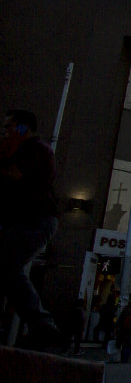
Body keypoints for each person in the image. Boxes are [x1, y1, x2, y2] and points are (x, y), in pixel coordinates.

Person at [0, 109, 62, 348]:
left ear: (24, 127)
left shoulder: (36, 150)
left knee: (7, 266)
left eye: (10, 126)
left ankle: (42, 325)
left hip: (36, 218)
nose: (6, 131)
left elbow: (15, 175)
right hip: (17, 219)